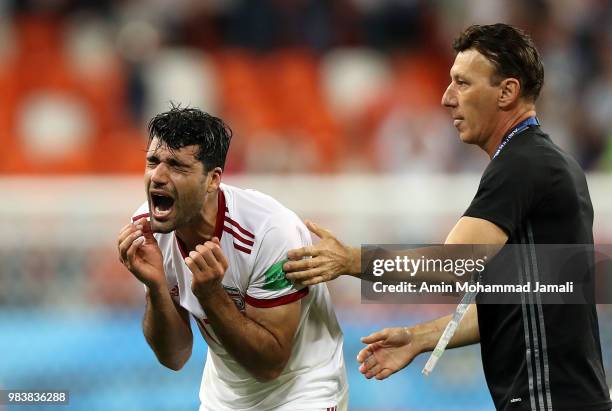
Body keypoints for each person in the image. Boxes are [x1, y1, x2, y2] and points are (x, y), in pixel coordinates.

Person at [283, 24, 612, 411]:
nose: (446, 98)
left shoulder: (523, 164)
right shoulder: (550, 164)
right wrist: (421, 336)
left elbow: (452, 263)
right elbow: (518, 301)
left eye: (462, 83)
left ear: (507, 92)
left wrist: (348, 260)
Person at [117, 106, 347, 411]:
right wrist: (157, 287)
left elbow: (270, 365)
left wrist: (212, 294)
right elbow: (175, 357)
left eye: (176, 166)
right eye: (152, 161)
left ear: (213, 180)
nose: (158, 176)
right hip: (224, 399)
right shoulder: (150, 230)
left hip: (304, 391)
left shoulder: (271, 232)